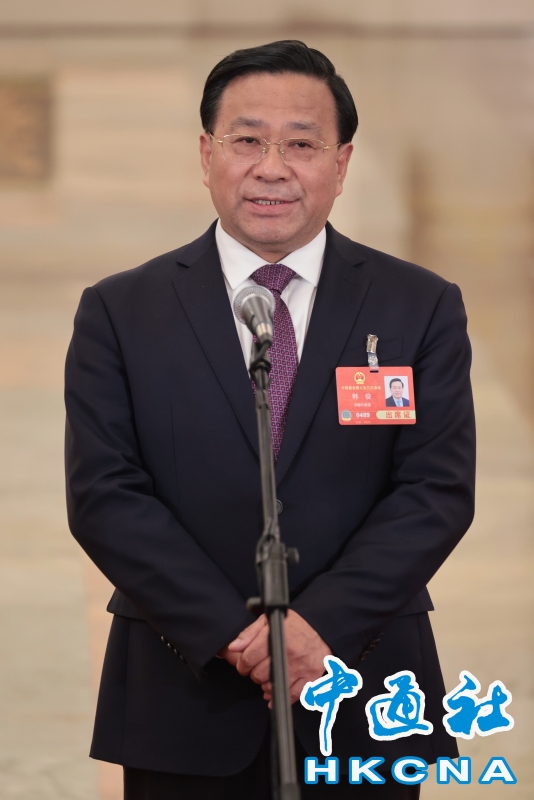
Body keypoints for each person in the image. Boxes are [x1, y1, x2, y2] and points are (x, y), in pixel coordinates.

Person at [65, 40, 475, 799]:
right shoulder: (121, 311)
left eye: (302, 144)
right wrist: (236, 636)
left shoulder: (418, 305)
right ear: (206, 154)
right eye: (247, 140)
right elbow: (105, 496)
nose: (272, 168)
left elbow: (435, 491)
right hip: (183, 692)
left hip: (364, 688)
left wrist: (320, 630)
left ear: (342, 164)